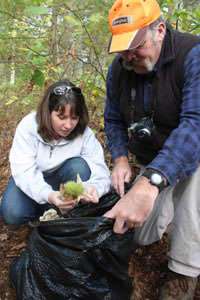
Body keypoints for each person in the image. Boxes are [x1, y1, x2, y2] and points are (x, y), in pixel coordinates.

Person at [104, 0, 200, 299]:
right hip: (151, 158)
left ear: (159, 30)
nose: (129, 56)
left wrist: (151, 183)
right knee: (143, 232)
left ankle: (184, 271)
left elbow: (195, 124)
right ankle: (163, 214)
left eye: (136, 45)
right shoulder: (120, 69)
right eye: (123, 48)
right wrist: (120, 157)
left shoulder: (192, 55)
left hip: (192, 153)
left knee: (191, 193)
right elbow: (113, 118)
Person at [1, 79, 111, 225]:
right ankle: (46, 208)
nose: (68, 125)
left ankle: (61, 210)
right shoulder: (28, 127)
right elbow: (24, 170)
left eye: (74, 118)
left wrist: (94, 188)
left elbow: (100, 169)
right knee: (13, 214)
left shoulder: (84, 134)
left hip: (63, 180)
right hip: (32, 179)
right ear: (48, 112)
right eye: (61, 117)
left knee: (79, 166)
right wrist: (49, 195)